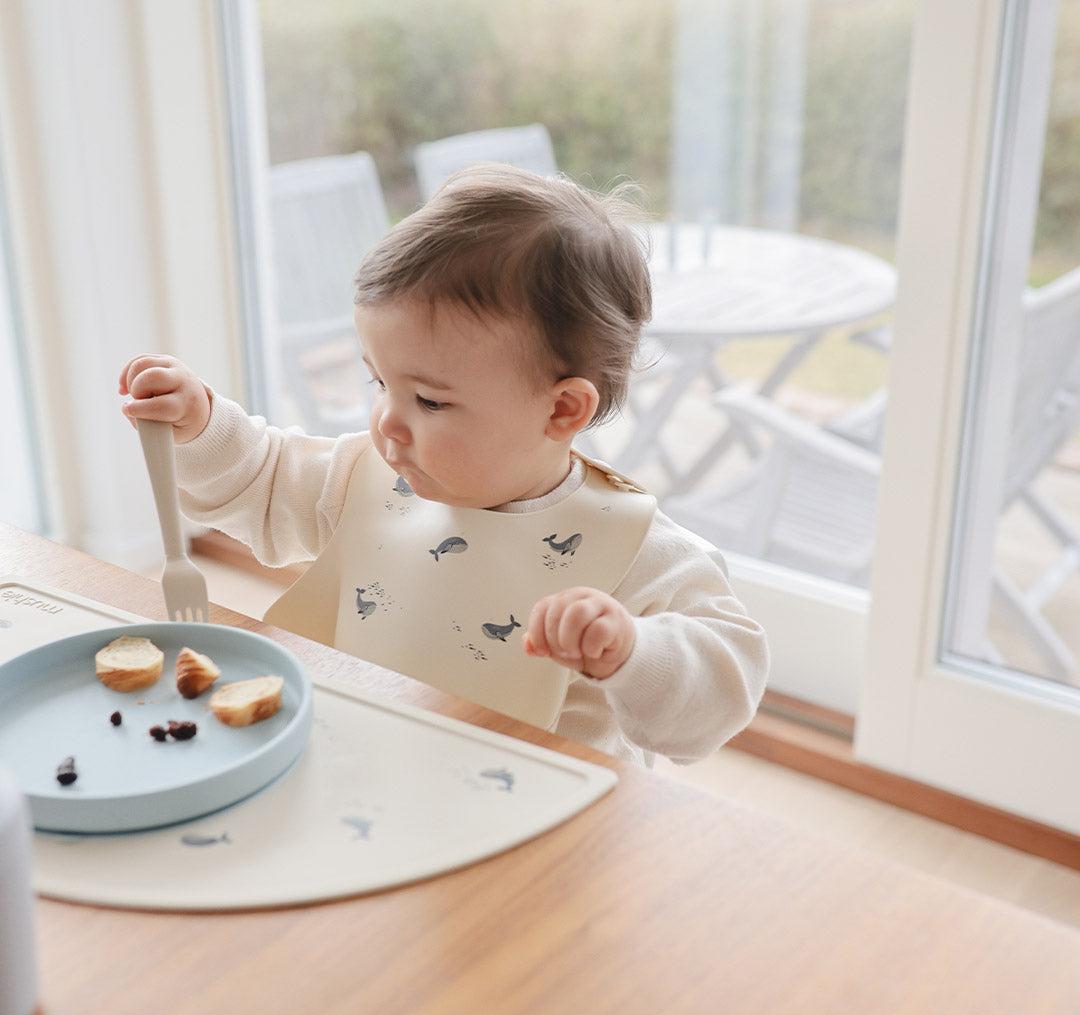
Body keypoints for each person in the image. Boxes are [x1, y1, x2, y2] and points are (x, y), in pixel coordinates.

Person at [118, 164, 768, 766]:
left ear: (563, 410)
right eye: (379, 383)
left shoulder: (634, 550)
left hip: (544, 834)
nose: (387, 424)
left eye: (429, 400)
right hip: (369, 772)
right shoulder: (366, 476)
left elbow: (722, 688)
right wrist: (202, 425)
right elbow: (262, 481)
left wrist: (631, 649)